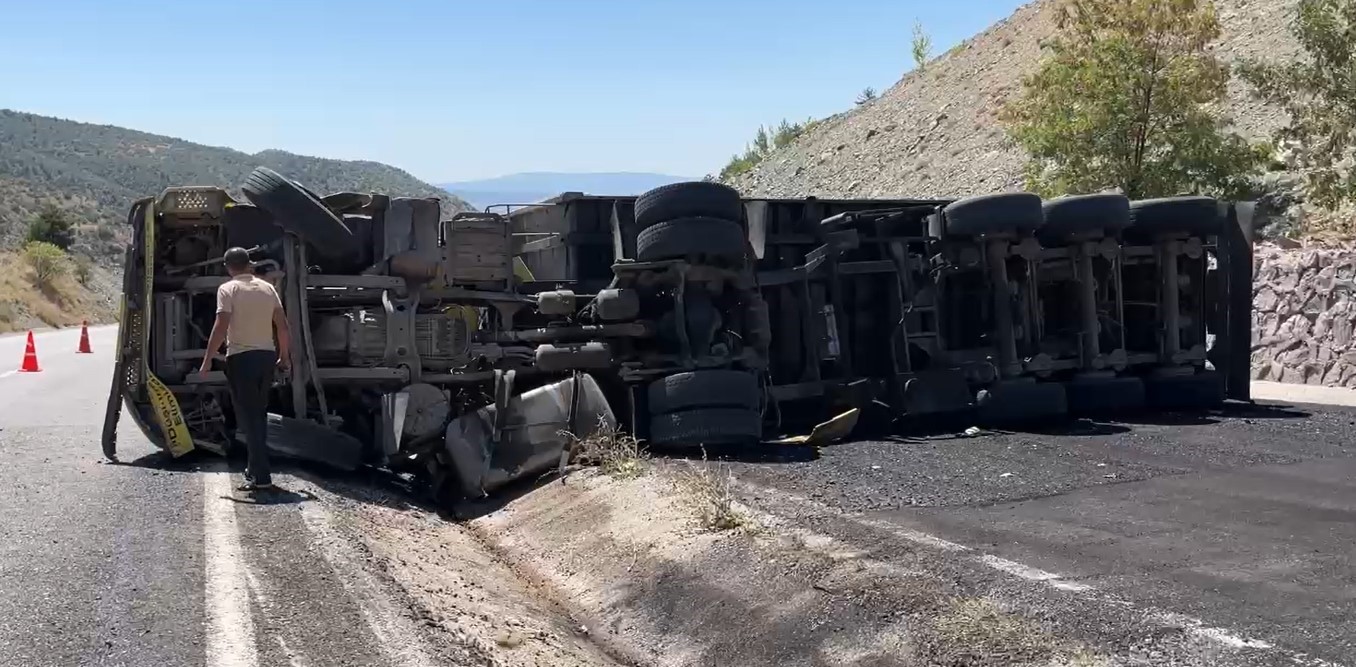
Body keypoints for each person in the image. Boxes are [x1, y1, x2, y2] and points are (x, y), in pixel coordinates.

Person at [199, 247, 292, 492]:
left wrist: (208, 358)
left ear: (228, 267)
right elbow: (282, 326)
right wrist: (284, 357)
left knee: (249, 418)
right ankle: (254, 470)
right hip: (266, 357)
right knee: (257, 414)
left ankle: (262, 477)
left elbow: (221, 325)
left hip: (241, 358)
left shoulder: (228, 289)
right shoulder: (267, 288)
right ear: (249, 264)